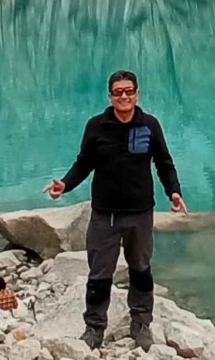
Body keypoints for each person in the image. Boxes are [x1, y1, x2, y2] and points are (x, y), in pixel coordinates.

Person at [45, 70, 186, 351]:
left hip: (140, 213)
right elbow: (84, 163)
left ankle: (141, 324)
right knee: (99, 274)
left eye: (129, 91)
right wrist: (65, 184)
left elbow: (164, 162)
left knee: (141, 270)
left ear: (137, 94)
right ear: (110, 96)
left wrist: (173, 191)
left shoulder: (149, 125)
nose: (124, 96)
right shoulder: (96, 126)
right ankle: (94, 328)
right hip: (104, 214)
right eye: (118, 92)